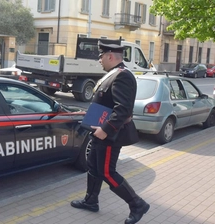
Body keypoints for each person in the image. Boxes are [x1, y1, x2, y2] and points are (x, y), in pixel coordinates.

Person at [70, 40, 149, 224]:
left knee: (107, 172)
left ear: (110, 56)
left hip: (110, 135)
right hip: (99, 131)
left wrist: (106, 130)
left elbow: (123, 110)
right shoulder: (112, 74)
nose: (99, 59)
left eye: (101, 56)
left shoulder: (123, 76)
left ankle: (137, 204)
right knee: (93, 167)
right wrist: (88, 114)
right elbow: (106, 104)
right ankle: (91, 201)